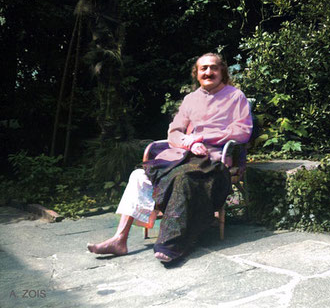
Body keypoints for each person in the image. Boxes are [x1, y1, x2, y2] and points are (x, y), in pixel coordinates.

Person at [87, 53, 253, 263]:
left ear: (222, 72)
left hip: (213, 159)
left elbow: (242, 131)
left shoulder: (235, 96)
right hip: (183, 154)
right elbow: (174, 132)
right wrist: (190, 142)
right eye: (203, 69)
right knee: (139, 175)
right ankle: (120, 239)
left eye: (213, 68)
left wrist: (203, 138)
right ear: (197, 73)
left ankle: (172, 244)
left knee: (183, 178)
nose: (208, 72)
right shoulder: (191, 99)